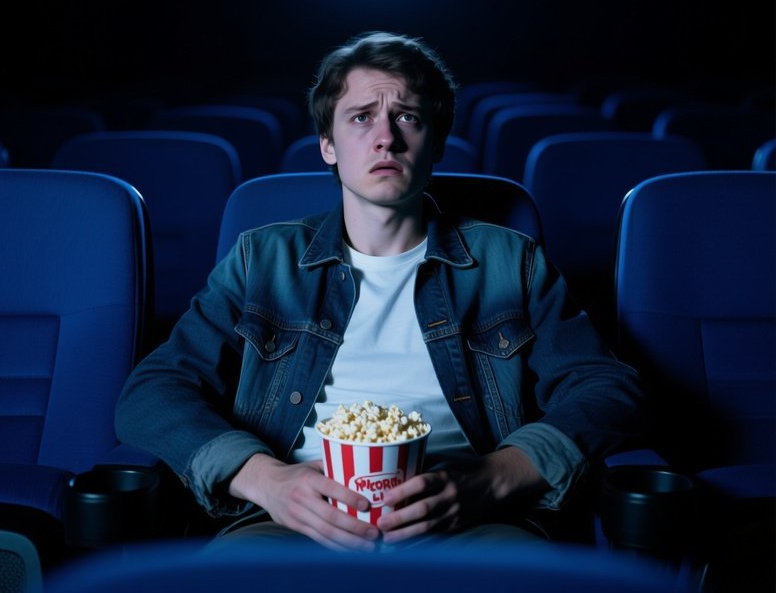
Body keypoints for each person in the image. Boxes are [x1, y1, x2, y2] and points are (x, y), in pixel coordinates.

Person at [115, 31, 645, 552]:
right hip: (292, 524)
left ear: (436, 143)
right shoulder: (262, 260)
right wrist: (267, 480)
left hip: (471, 521)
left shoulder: (512, 261)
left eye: (408, 117)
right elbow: (153, 391)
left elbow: (605, 389)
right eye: (361, 117)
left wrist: (491, 478)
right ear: (328, 145)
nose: (386, 137)